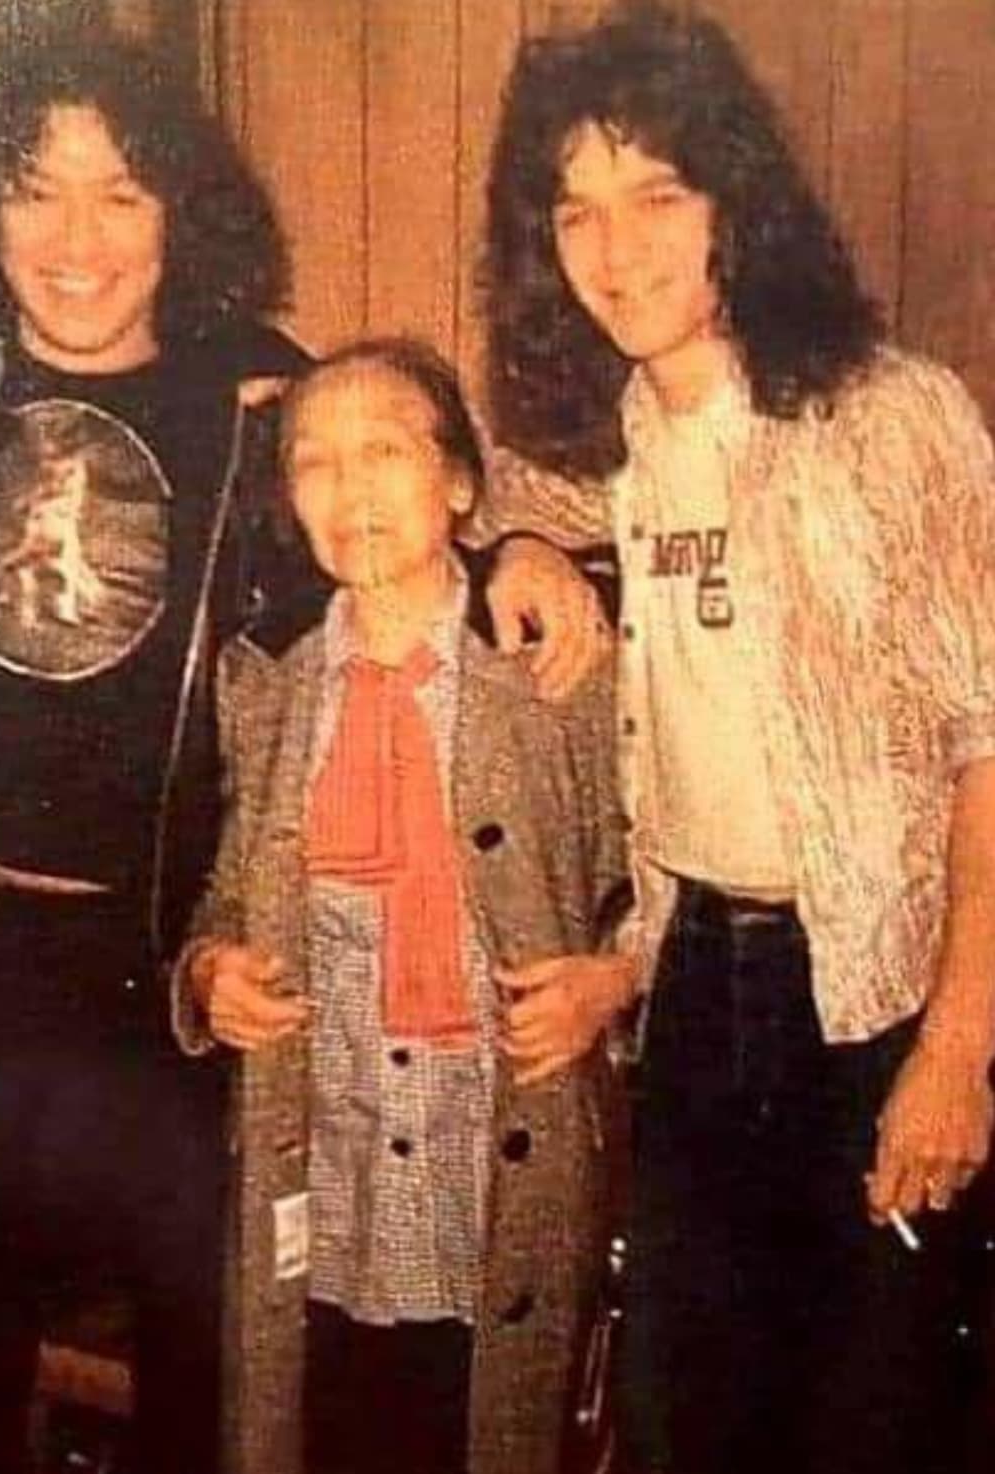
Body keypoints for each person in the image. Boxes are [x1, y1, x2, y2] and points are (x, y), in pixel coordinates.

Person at [482, 7, 995, 1473]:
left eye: (658, 195)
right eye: (574, 210)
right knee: (687, 1414)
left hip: (881, 993)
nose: (615, 247)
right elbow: (520, 492)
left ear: (734, 204)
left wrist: (960, 1046)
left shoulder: (894, 416)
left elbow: (991, 732)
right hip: (699, 981)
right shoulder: (607, 441)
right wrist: (518, 539)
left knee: (876, 1418)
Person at [0, 33, 317, 1474]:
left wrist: (531, 546)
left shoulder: (263, 413)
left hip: (147, 998)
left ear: (185, 217)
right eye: (36, 192)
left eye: (125, 196)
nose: (78, 241)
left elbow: (420, 495)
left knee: (195, 1414)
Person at [173, 338, 631, 1474]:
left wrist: (611, 980)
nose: (351, 488)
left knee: (478, 1423)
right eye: (315, 463)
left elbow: (660, 874)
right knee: (326, 1418)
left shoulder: (552, 666)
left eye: (383, 450)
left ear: (461, 484)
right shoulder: (262, 680)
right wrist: (206, 971)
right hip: (322, 1146)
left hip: (492, 1147)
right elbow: (218, 889)